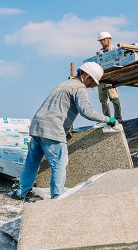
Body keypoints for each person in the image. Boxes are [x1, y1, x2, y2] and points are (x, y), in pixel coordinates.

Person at [16, 62, 117, 200]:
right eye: (92, 82)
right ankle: (57, 199)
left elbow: (59, 108)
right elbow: (86, 111)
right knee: (59, 164)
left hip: (38, 125)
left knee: (32, 162)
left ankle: (21, 193)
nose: (91, 86)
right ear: (86, 76)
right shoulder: (79, 88)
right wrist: (108, 119)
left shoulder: (63, 85)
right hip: (52, 128)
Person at [96, 31, 123, 122]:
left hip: (111, 77)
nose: (102, 42)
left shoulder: (114, 50)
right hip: (101, 77)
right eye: (101, 40)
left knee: (114, 98)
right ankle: (107, 119)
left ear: (109, 39)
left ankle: (118, 118)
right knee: (103, 100)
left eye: (103, 40)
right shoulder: (99, 53)